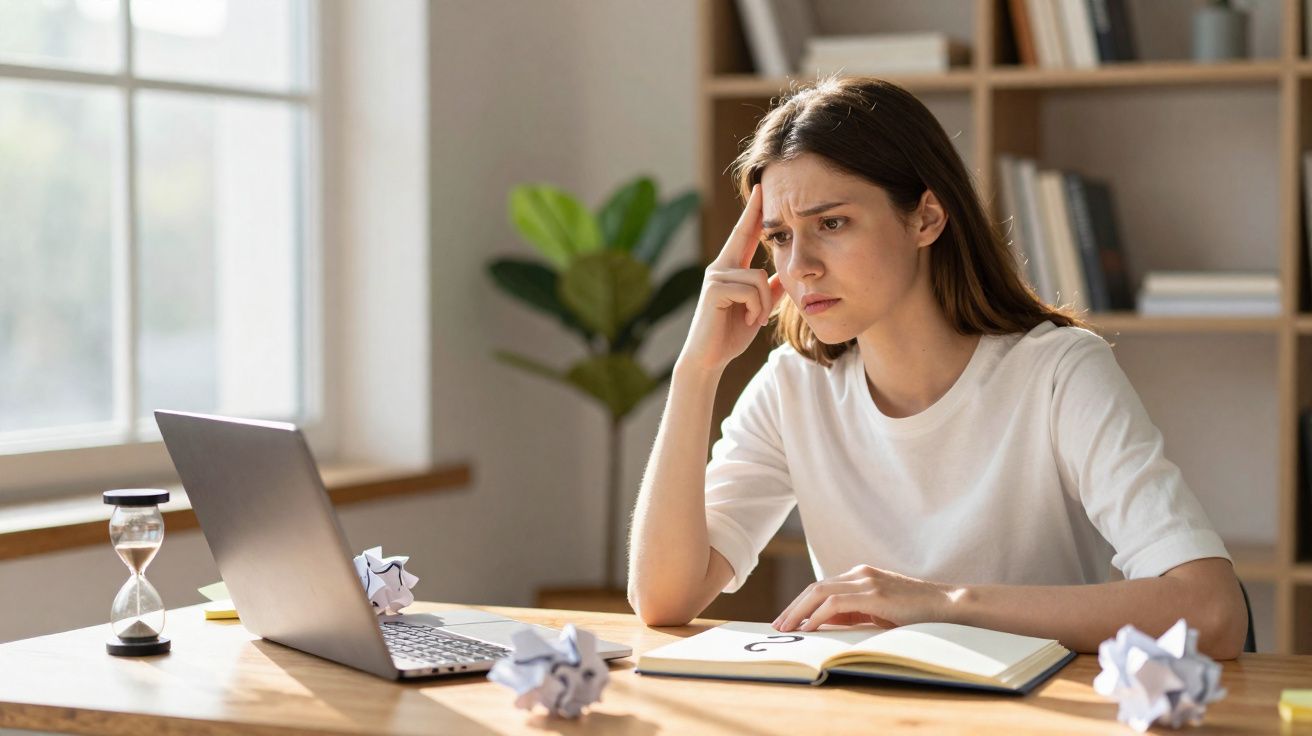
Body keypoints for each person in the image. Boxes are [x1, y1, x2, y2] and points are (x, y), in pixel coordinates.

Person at [625, 76, 1249, 659]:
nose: (801, 265)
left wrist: (938, 604)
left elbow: (1212, 610)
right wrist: (697, 370)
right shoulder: (792, 387)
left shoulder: (1057, 372)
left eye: (832, 223)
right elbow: (663, 597)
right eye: (780, 237)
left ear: (926, 217)